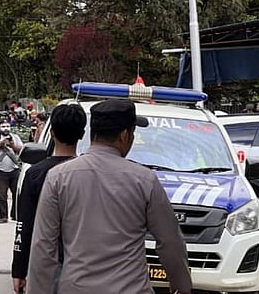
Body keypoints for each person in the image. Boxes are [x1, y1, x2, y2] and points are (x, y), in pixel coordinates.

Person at [27, 99, 191, 294]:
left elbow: (43, 247)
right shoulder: (144, 180)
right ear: (124, 135)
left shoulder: (58, 177)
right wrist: (181, 286)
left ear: (93, 133)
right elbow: (170, 242)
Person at [12, 104, 86, 294]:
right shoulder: (91, 174)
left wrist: (19, 270)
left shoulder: (35, 174)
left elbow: (24, 225)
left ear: (51, 132)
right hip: (85, 265)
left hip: (45, 264)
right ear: (82, 134)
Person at [0, 120, 23, 224]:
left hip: (14, 168)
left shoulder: (15, 137)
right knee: (1, 194)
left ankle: (15, 214)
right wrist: (1, 143)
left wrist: (12, 145)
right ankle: (3, 216)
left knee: (16, 193)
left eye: (7, 126)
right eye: (3, 126)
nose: (6, 128)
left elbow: (21, 149)